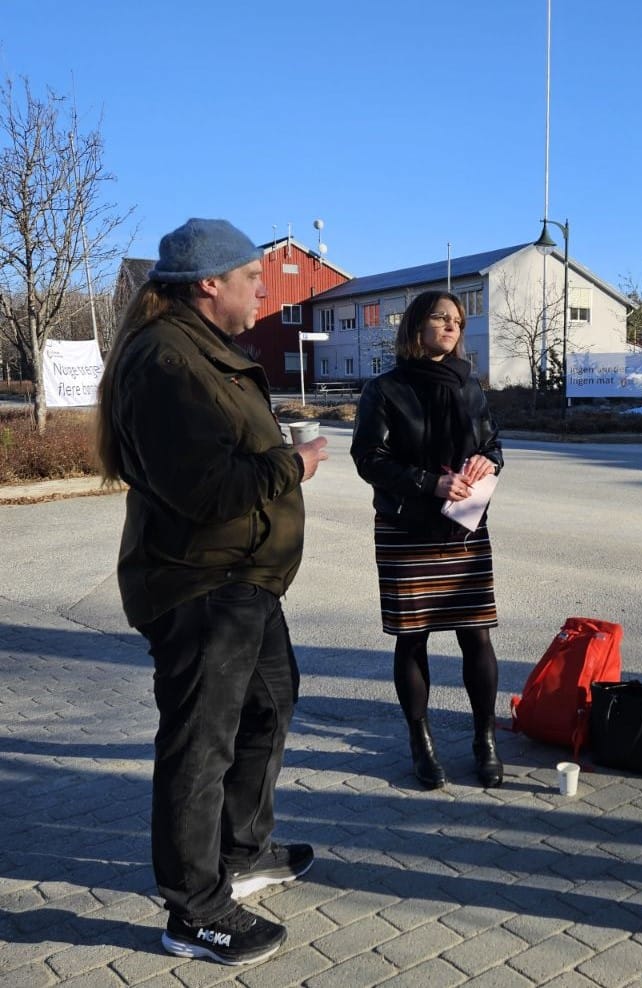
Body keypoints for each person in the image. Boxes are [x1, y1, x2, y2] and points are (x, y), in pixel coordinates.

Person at [96, 218, 329, 966]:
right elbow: (205, 488)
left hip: (245, 581)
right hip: (201, 584)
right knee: (200, 745)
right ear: (209, 284)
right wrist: (295, 464)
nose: (262, 289)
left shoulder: (201, 353)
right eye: (252, 277)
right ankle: (194, 910)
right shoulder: (165, 362)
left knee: (270, 704)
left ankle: (239, 851)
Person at [351, 290, 505, 790]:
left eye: (458, 320)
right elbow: (368, 458)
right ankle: (421, 741)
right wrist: (428, 482)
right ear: (415, 325)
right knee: (412, 637)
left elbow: (491, 445)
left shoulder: (469, 385)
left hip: (463, 526)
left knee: (475, 633)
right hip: (406, 527)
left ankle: (485, 739)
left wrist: (488, 461)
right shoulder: (385, 389)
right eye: (441, 317)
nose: (452, 326)